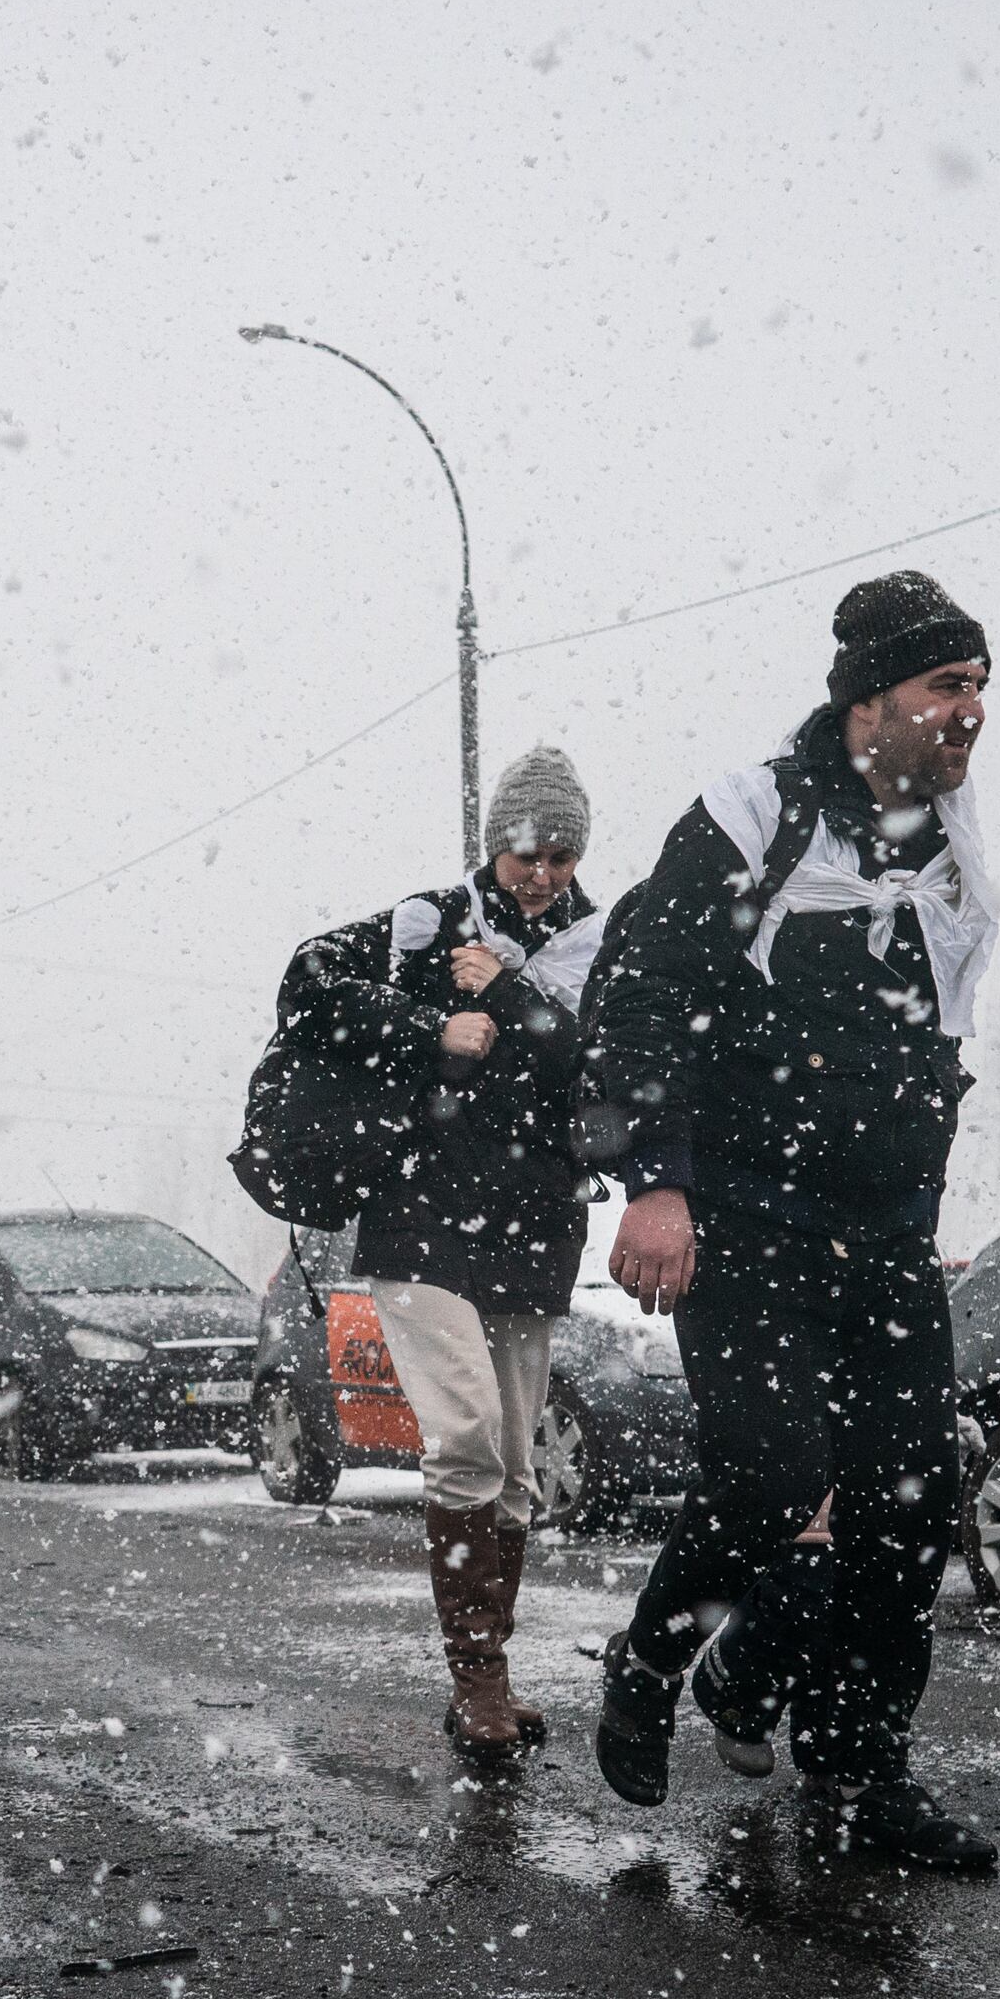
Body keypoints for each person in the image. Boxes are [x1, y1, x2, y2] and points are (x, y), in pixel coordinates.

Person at [580, 571, 1000, 1872]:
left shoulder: (952, 844)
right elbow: (636, 991)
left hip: (879, 1237)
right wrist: (655, 1176)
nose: (971, 713)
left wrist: (916, 1208)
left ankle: (861, 1774)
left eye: (983, 689)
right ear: (871, 695)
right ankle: (654, 1656)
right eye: (949, 685)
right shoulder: (754, 814)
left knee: (907, 1500)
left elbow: (933, 1049)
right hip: (748, 1220)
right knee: (770, 1476)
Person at [275, 748, 608, 1770]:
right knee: (464, 1438)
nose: (543, 873)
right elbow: (306, 983)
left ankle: (490, 1674)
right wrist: (432, 1027)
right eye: (526, 853)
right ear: (493, 844)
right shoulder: (426, 921)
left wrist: (506, 996)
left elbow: (593, 1065)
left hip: (534, 1224)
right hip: (420, 1221)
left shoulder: (598, 943)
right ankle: (479, 1685)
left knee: (513, 1465)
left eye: (561, 854)